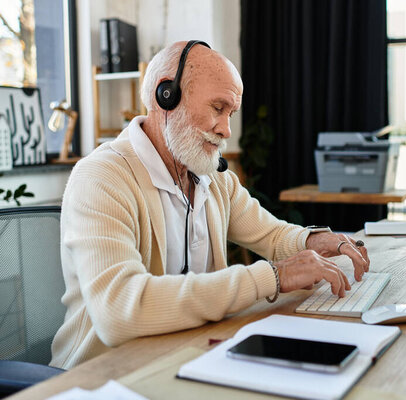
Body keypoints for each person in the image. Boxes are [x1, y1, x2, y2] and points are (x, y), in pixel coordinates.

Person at [50, 41, 369, 369]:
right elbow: (119, 310)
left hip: (186, 357)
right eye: (218, 108)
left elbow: (272, 236)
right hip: (103, 376)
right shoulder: (102, 177)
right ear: (166, 96)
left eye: (231, 113)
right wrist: (271, 277)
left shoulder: (212, 177)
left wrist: (317, 241)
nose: (226, 129)